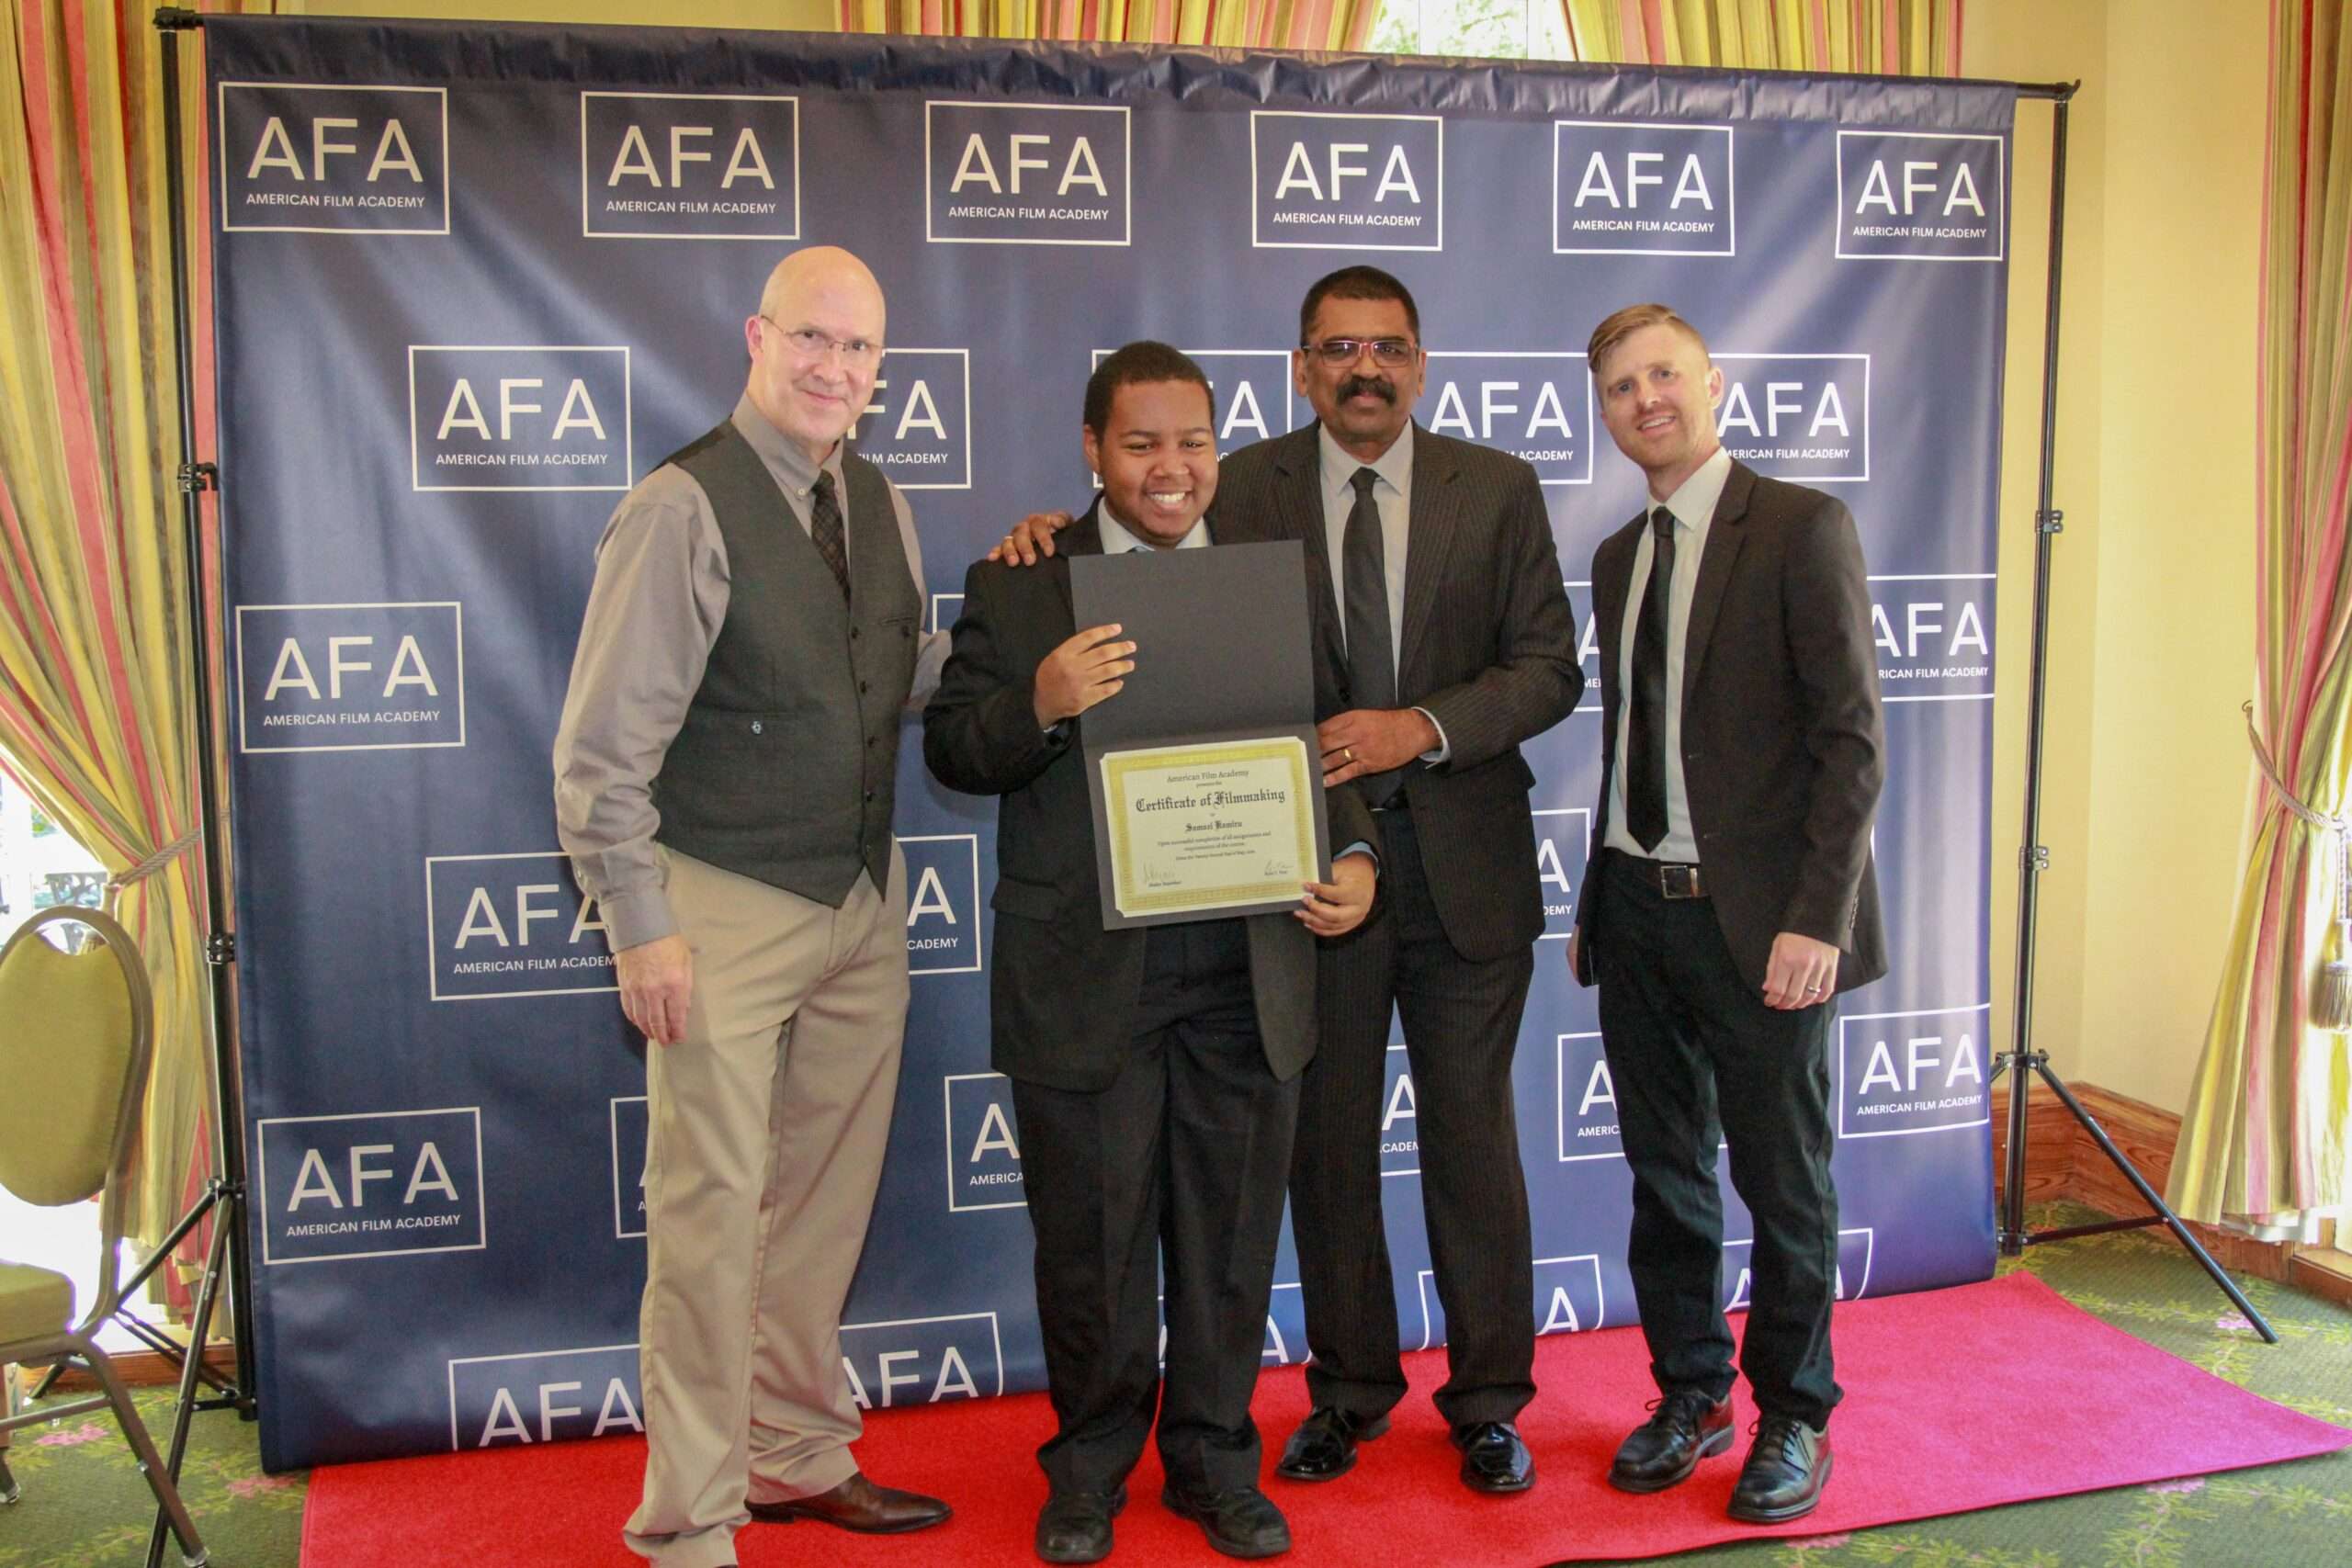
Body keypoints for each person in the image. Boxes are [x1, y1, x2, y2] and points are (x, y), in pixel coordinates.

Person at [996, 268, 1579, 1495]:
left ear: (1420, 364)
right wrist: (1046, 536)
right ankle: (1350, 1392)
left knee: (1474, 1141)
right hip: (1295, 879)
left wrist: (1417, 728)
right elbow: (1138, 527)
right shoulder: (1241, 484)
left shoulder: (1499, 487)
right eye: (1338, 348)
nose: (1365, 368)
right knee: (1324, 1149)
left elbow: (1548, 670)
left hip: (1466, 869)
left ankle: (1489, 1403)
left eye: (1389, 348)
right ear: (1302, 366)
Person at [925, 343, 1379, 1563]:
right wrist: (1040, 701)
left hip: (1248, 965)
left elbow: (1324, 746)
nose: (1170, 468)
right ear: (1092, 450)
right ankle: (1087, 1474)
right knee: (1095, 1246)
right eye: (1140, 444)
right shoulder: (1021, 583)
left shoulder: (1271, 577)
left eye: (1192, 441)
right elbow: (955, 750)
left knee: (1231, 1244)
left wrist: (1355, 856)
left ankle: (1215, 1463)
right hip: (1088, 977)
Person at [553, 245, 954, 1568]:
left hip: (858, 902)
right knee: (711, 1216)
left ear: (881, 370)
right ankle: (687, 1522)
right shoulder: (681, 506)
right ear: (757, 338)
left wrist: (1031, 618)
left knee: (823, 1206)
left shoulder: (879, 501)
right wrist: (640, 924)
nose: (836, 368)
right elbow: (600, 755)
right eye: (813, 338)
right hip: (718, 903)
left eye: (860, 349)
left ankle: (792, 1453)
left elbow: (890, 671)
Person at [1568, 302, 1886, 1525]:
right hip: (1637, 913)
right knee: (1667, 1180)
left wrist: (1819, 918)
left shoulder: (1802, 526)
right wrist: (1602, 893)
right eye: (1620, 387)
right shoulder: (1617, 558)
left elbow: (1851, 743)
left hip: (1765, 926)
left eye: (1664, 375)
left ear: (1713, 386)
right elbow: (1635, 743)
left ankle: (1795, 1413)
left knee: (1784, 1183)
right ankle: (1691, 1393)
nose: (1644, 400)